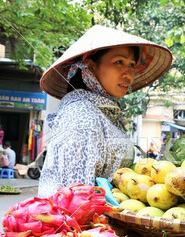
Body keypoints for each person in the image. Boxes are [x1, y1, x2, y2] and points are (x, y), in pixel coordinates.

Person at [37, 25, 172, 198]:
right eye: (119, 62)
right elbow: (76, 199)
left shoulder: (101, 111)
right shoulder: (81, 113)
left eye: (132, 65)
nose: (128, 74)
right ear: (91, 66)